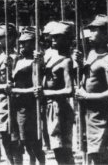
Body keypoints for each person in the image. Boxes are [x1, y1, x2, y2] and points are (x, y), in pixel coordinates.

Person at [74, 14, 108, 165]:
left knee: (102, 157)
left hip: (102, 116)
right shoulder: (90, 54)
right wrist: (80, 65)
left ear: (105, 34)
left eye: (94, 31)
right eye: (90, 30)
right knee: (91, 156)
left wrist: (86, 96)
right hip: (88, 115)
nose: (90, 35)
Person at [11, 27, 46, 165]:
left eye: (25, 43)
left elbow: (38, 84)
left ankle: (41, 162)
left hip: (30, 105)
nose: (21, 46)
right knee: (21, 140)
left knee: (32, 140)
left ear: (33, 44)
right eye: (20, 43)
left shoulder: (36, 62)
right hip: (17, 105)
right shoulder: (17, 61)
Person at [42, 21, 75, 164]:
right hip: (50, 107)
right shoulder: (48, 56)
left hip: (59, 108)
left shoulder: (66, 61)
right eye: (53, 36)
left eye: (58, 37)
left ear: (66, 39)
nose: (53, 39)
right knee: (56, 148)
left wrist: (45, 93)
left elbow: (69, 90)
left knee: (62, 149)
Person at [0, 24, 23, 165]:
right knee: (3, 136)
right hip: (0, 100)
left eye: (1, 37)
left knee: (15, 138)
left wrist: (11, 69)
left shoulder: (18, 56)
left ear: (11, 38)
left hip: (15, 102)